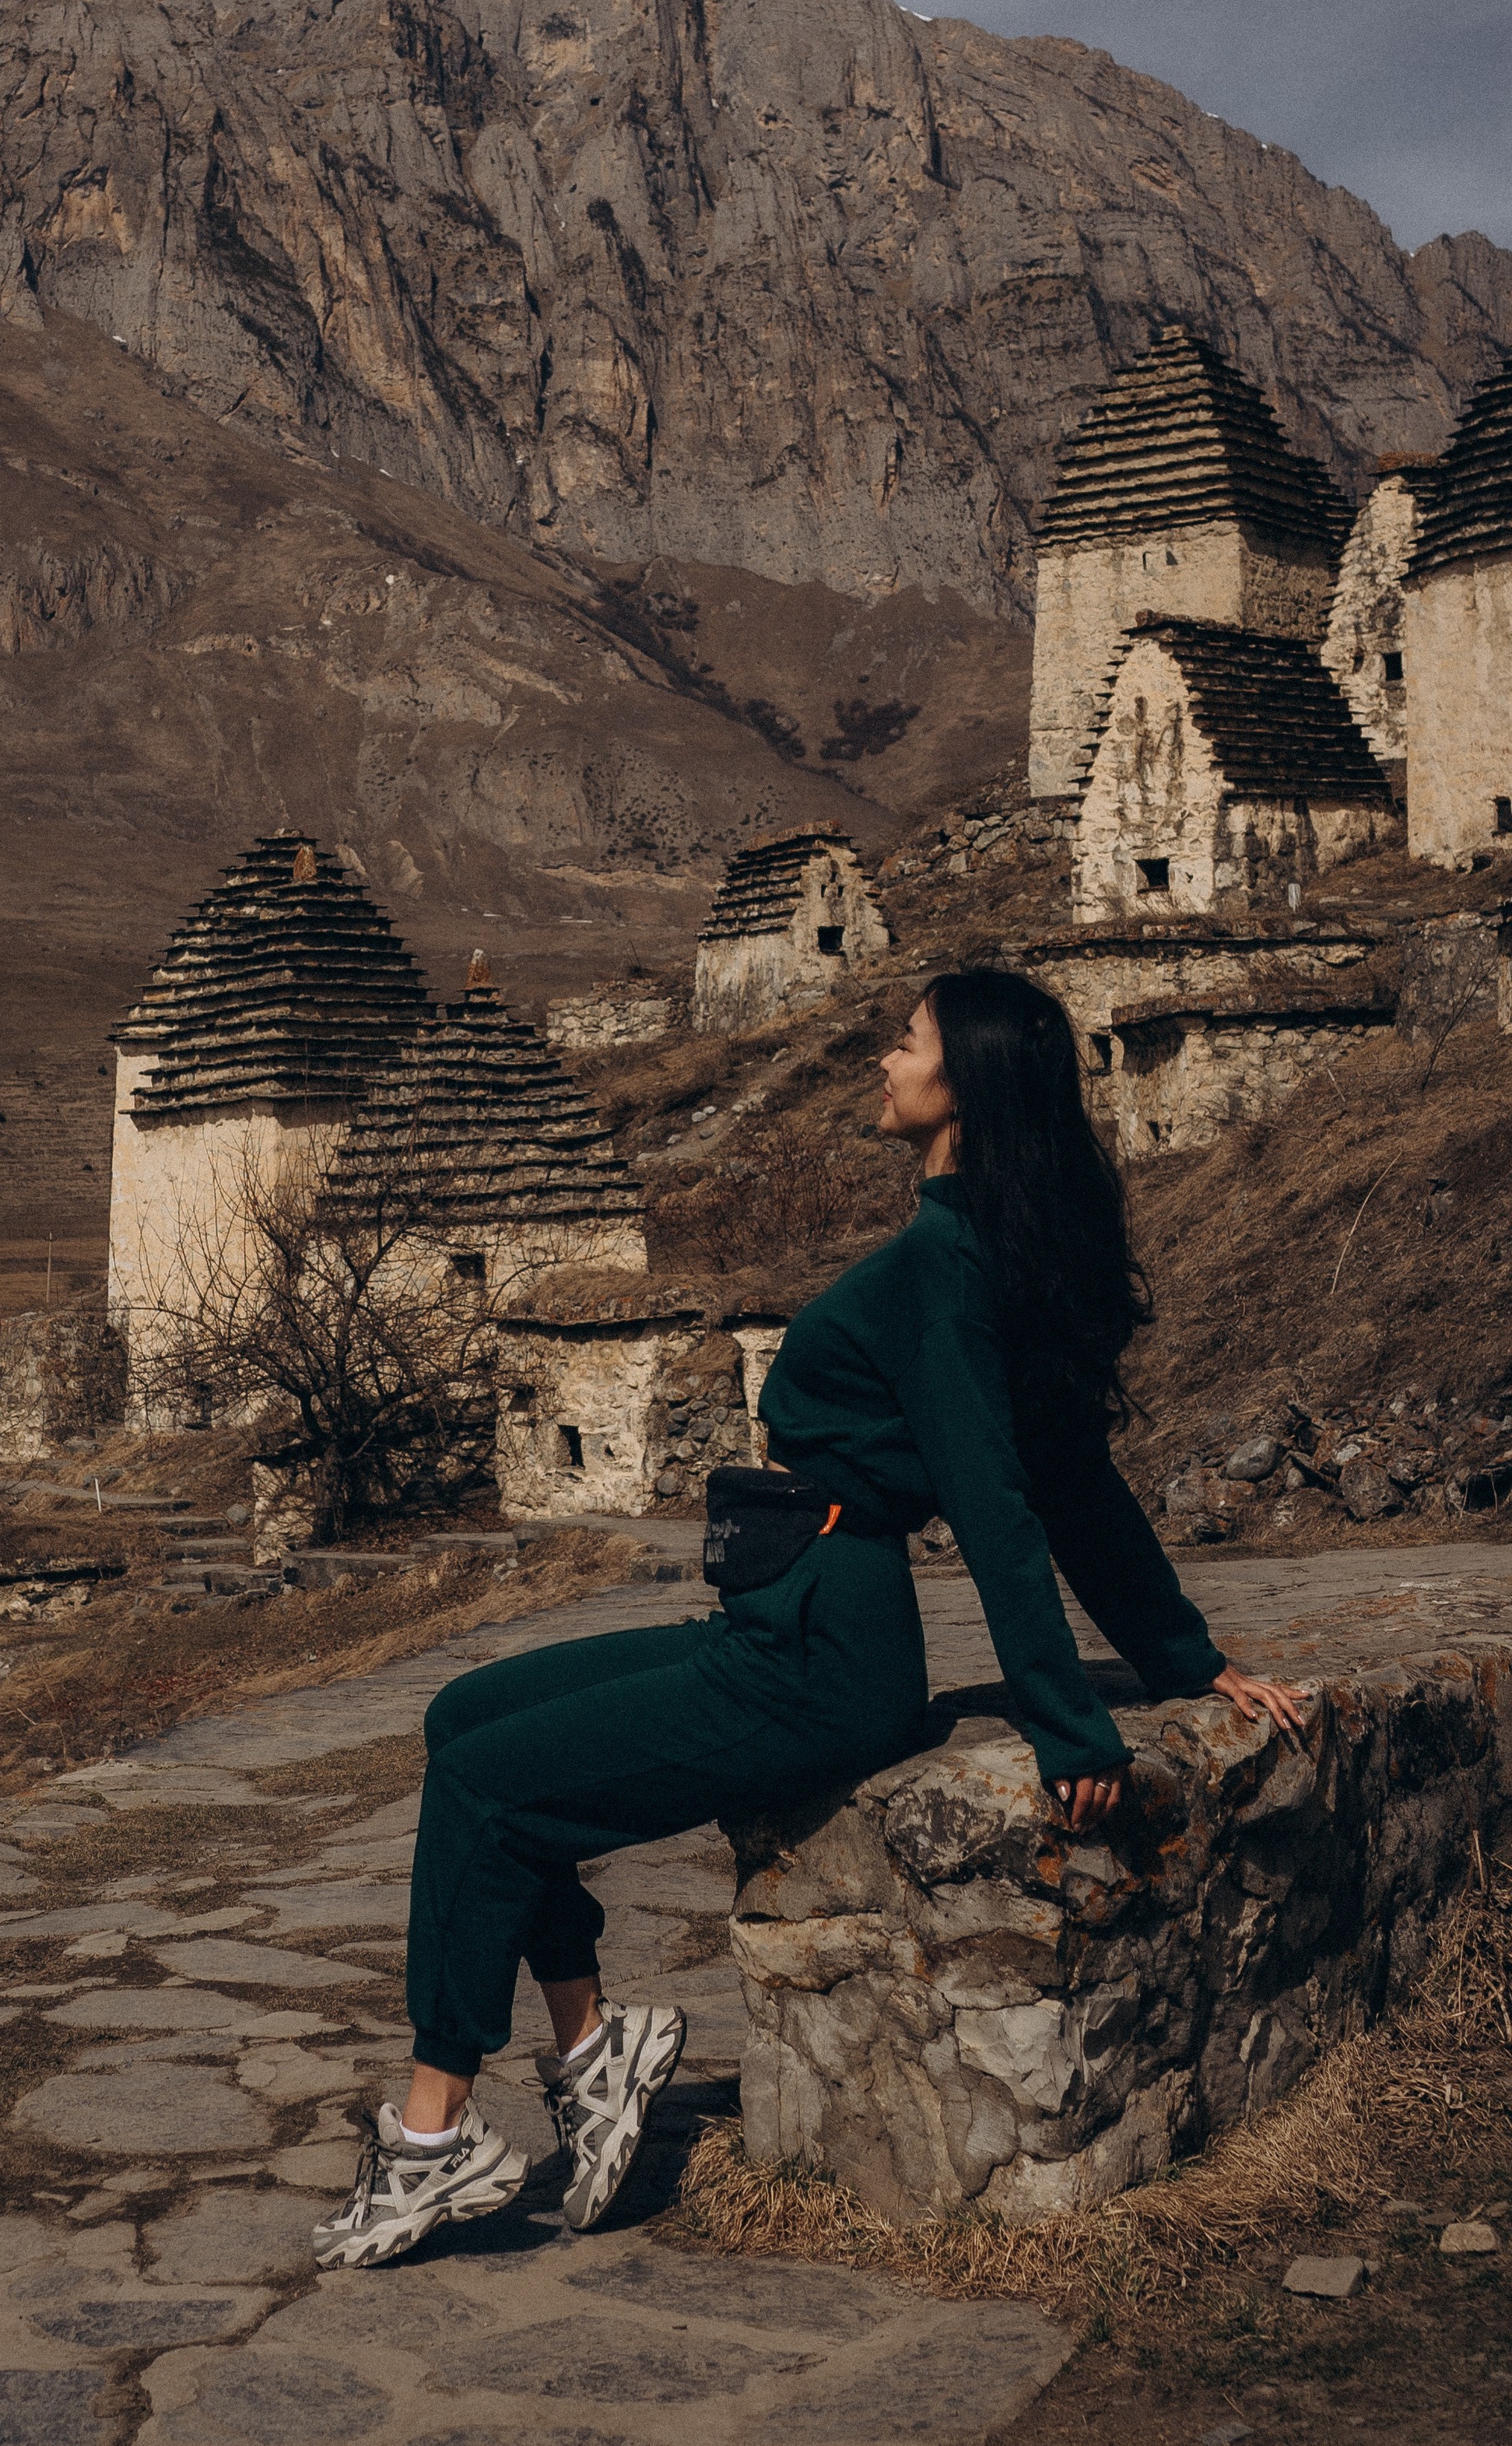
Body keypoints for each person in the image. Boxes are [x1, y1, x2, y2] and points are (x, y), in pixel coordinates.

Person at [312, 965, 1307, 2269]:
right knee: (466, 1718)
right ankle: (594, 2054)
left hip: (824, 1655)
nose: (884, 1060)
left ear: (965, 1085)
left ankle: (434, 2134)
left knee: (489, 1786)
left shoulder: (942, 1267)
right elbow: (1074, 1480)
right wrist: (1186, 1657)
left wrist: (1076, 1725)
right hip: (783, 1612)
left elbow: (1008, 1507)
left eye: (908, 1042)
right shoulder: (976, 1250)